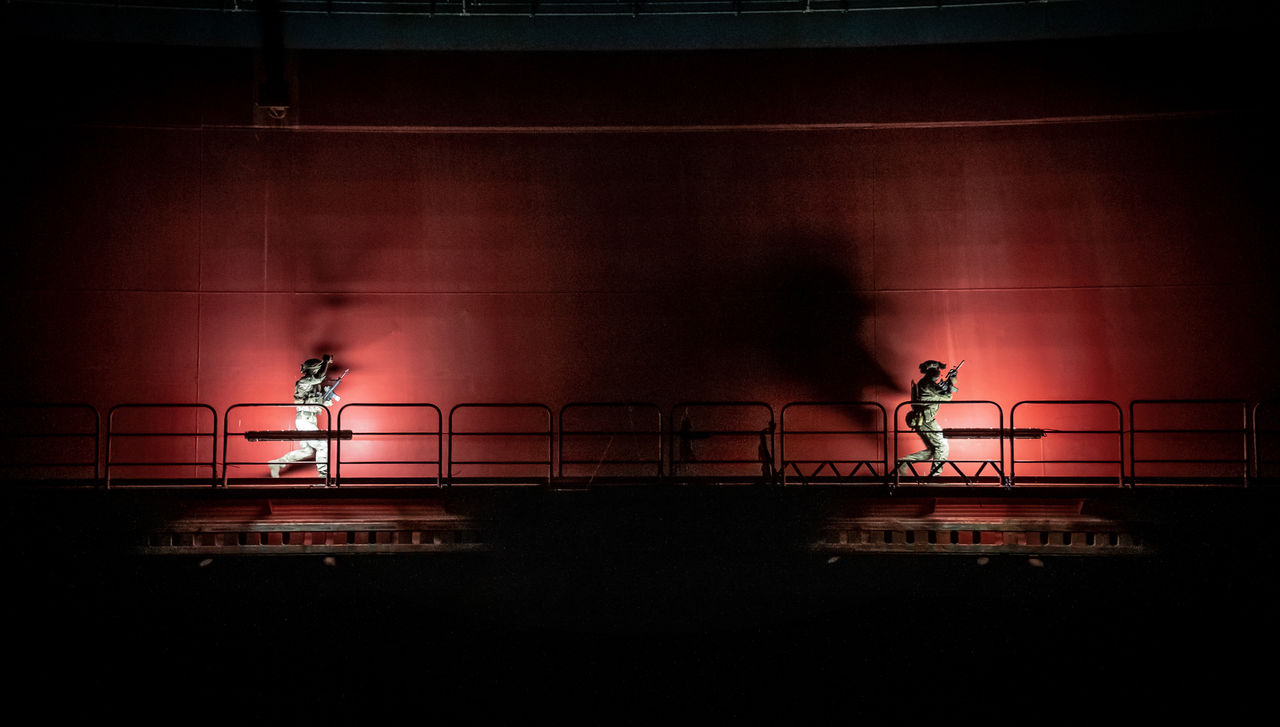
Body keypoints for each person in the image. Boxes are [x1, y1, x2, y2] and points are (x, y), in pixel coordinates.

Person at [269, 354, 336, 482]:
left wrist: (325, 401)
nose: (318, 372)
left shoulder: (313, 384)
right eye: (316, 369)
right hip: (305, 421)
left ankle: (277, 463)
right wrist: (326, 362)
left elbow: (313, 401)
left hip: (309, 420)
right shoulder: (304, 382)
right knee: (322, 446)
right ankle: (323, 477)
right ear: (311, 370)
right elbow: (319, 379)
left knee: (307, 451)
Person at [896, 359, 958, 479]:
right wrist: (951, 383)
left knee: (932, 450)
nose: (937, 372)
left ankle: (904, 462)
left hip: (922, 419)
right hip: (926, 420)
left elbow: (941, 392)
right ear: (928, 372)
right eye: (935, 370)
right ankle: (934, 477)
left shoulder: (926, 383)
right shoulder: (927, 384)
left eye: (937, 370)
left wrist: (948, 384)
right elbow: (947, 397)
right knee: (942, 446)